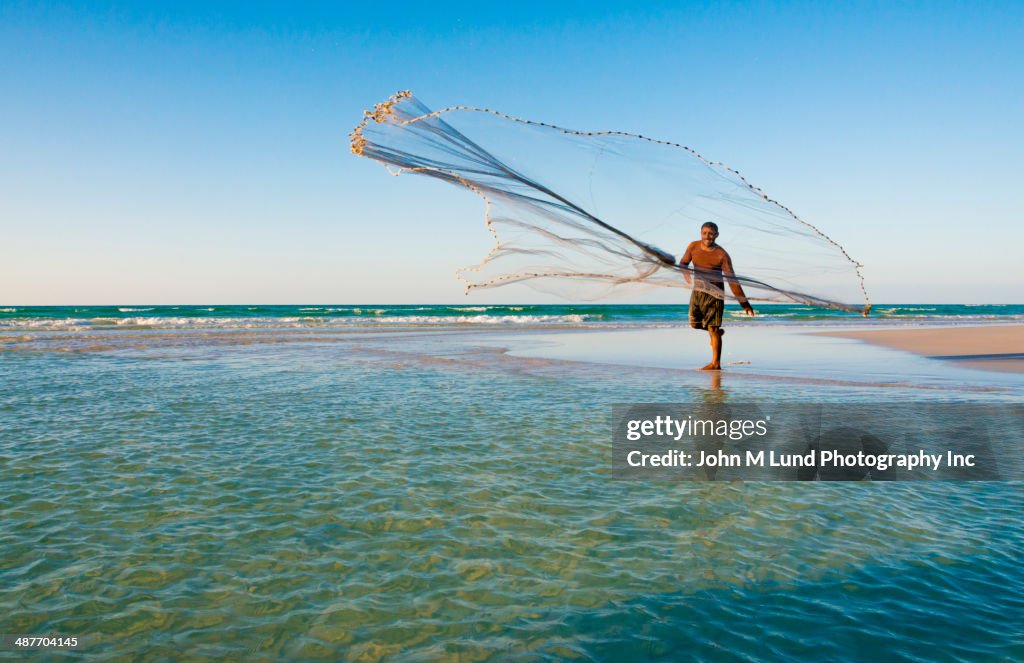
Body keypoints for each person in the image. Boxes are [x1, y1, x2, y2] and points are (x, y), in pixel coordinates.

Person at [680, 222, 755, 370]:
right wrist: (685, 271)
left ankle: (716, 363)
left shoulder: (722, 254)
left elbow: (732, 280)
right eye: (705, 233)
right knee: (695, 324)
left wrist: (744, 303)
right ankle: (717, 333)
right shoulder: (693, 246)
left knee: (712, 329)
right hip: (698, 291)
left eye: (711, 233)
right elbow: (683, 263)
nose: (708, 236)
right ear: (701, 233)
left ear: (717, 235)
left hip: (715, 294)